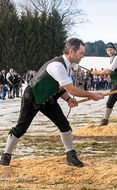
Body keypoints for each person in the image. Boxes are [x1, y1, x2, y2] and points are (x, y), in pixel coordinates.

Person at [0, 38, 104, 167]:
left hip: (49, 98)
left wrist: (68, 99)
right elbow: (71, 88)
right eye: (81, 53)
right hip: (32, 96)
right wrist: (91, 95)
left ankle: (71, 156)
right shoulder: (57, 65)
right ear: (71, 51)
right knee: (21, 127)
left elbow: (62, 88)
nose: (83, 56)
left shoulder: (67, 66)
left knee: (64, 124)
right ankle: (6, 155)